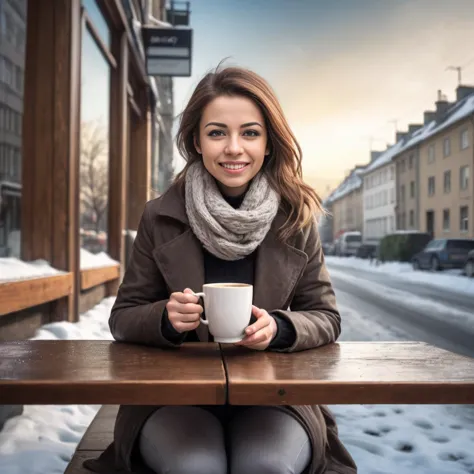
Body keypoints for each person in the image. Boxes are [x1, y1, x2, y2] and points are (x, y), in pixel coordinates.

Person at [84, 65, 357, 474]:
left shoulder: (295, 218)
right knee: (196, 467)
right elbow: (123, 317)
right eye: (217, 133)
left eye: (250, 132)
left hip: (275, 399)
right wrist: (165, 319)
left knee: (265, 466)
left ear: (268, 143)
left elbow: (326, 316)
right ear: (196, 141)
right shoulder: (160, 216)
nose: (234, 148)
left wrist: (280, 328)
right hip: (174, 398)